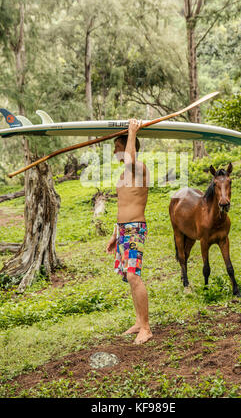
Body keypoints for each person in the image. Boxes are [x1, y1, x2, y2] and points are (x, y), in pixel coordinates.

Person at [106, 118, 152, 345]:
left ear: (126, 148)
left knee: (134, 276)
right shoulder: (123, 175)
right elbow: (122, 205)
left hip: (135, 229)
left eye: (117, 147)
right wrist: (115, 233)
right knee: (129, 277)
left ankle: (146, 328)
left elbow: (130, 158)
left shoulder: (138, 168)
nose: (114, 151)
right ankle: (138, 322)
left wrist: (132, 131)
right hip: (124, 230)